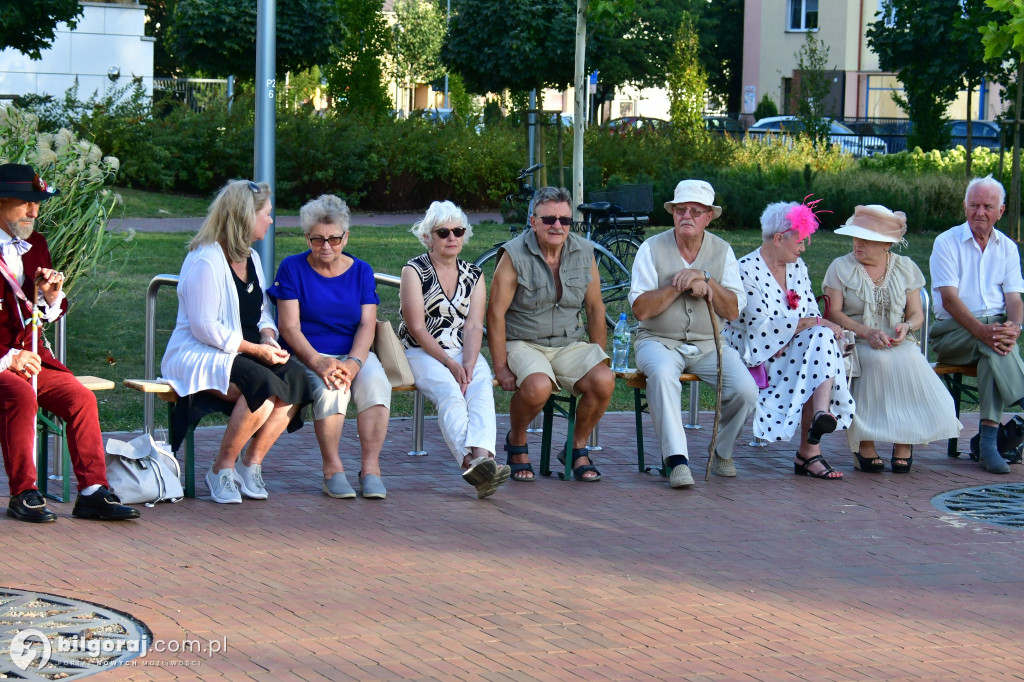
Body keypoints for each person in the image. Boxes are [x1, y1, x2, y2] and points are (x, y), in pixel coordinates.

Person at [0, 163, 139, 523]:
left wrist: (49, 298)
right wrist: (9, 358)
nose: (34, 211)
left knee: (80, 398)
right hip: (5, 363)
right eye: (26, 203)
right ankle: (24, 492)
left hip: (31, 358)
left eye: (38, 204)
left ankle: (93, 492)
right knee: (19, 395)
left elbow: (40, 315)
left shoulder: (37, 243)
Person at [161, 179, 312, 504]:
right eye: (266, 214)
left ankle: (250, 464)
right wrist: (256, 350)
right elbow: (205, 328)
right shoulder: (205, 260)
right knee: (262, 382)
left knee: (297, 379)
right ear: (246, 216)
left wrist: (269, 337)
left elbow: (261, 312)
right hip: (200, 351)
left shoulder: (252, 259)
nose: (270, 221)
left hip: (244, 350)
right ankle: (221, 468)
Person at [630, 180, 758, 489]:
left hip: (708, 344)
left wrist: (706, 280)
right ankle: (677, 460)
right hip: (657, 341)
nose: (687, 216)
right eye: (681, 209)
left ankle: (721, 452)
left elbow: (732, 311)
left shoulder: (722, 251)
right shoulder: (651, 248)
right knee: (661, 374)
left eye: (696, 211)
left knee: (746, 391)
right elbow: (641, 311)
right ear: (673, 213)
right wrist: (680, 285)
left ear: (709, 217)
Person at [487, 186, 614, 482]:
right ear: (533, 221)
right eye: (549, 219)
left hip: (568, 343)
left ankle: (576, 447)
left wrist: (599, 354)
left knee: (603, 379)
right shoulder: (514, 254)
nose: (557, 226)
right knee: (538, 387)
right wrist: (501, 366)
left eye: (565, 220)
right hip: (524, 342)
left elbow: (596, 309)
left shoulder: (585, 252)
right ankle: (516, 441)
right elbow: (495, 313)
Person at [270, 194, 390, 499]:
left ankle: (371, 468)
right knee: (332, 389)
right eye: (318, 239)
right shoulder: (292, 268)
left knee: (376, 384)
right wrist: (318, 362)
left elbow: (367, 324)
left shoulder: (361, 270)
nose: (326, 246)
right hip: (309, 353)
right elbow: (289, 327)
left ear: (346, 236)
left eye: (335, 239)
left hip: (354, 352)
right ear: (307, 237)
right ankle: (332, 469)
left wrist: (354, 363)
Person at [824, 205, 960, 473]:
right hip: (856, 341)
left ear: (886, 244)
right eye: (855, 236)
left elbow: (917, 314)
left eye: (866, 238)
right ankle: (864, 441)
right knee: (875, 362)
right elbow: (833, 313)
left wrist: (905, 327)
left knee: (909, 359)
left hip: (896, 342)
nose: (857, 243)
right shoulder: (840, 267)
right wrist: (867, 332)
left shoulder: (905, 268)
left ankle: (904, 439)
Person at [724, 200, 854, 480]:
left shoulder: (798, 267)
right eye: (801, 241)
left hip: (793, 349)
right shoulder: (745, 270)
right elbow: (760, 327)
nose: (804, 248)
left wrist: (814, 326)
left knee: (820, 340)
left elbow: (809, 312)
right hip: (756, 353)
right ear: (779, 238)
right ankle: (810, 453)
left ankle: (820, 418)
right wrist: (813, 324)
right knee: (818, 341)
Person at [399, 201, 510, 498]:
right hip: (422, 351)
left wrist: (469, 363)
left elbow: (474, 326)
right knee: (451, 393)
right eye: (443, 232)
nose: (452, 237)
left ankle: (484, 462)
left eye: (458, 231)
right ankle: (472, 463)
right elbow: (417, 328)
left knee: (481, 388)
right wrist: (451, 363)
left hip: (463, 350)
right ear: (428, 237)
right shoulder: (414, 270)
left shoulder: (473, 273)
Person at [930, 175, 1024, 474]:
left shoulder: (1007, 248)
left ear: (1001, 210)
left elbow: (1015, 299)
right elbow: (949, 300)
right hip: (951, 334)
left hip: (993, 335)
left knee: (992, 354)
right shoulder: (946, 242)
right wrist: (983, 331)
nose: (980, 212)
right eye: (974, 205)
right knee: (994, 344)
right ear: (964, 207)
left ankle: (987, 444)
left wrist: (1015, 327)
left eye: (987, 206)